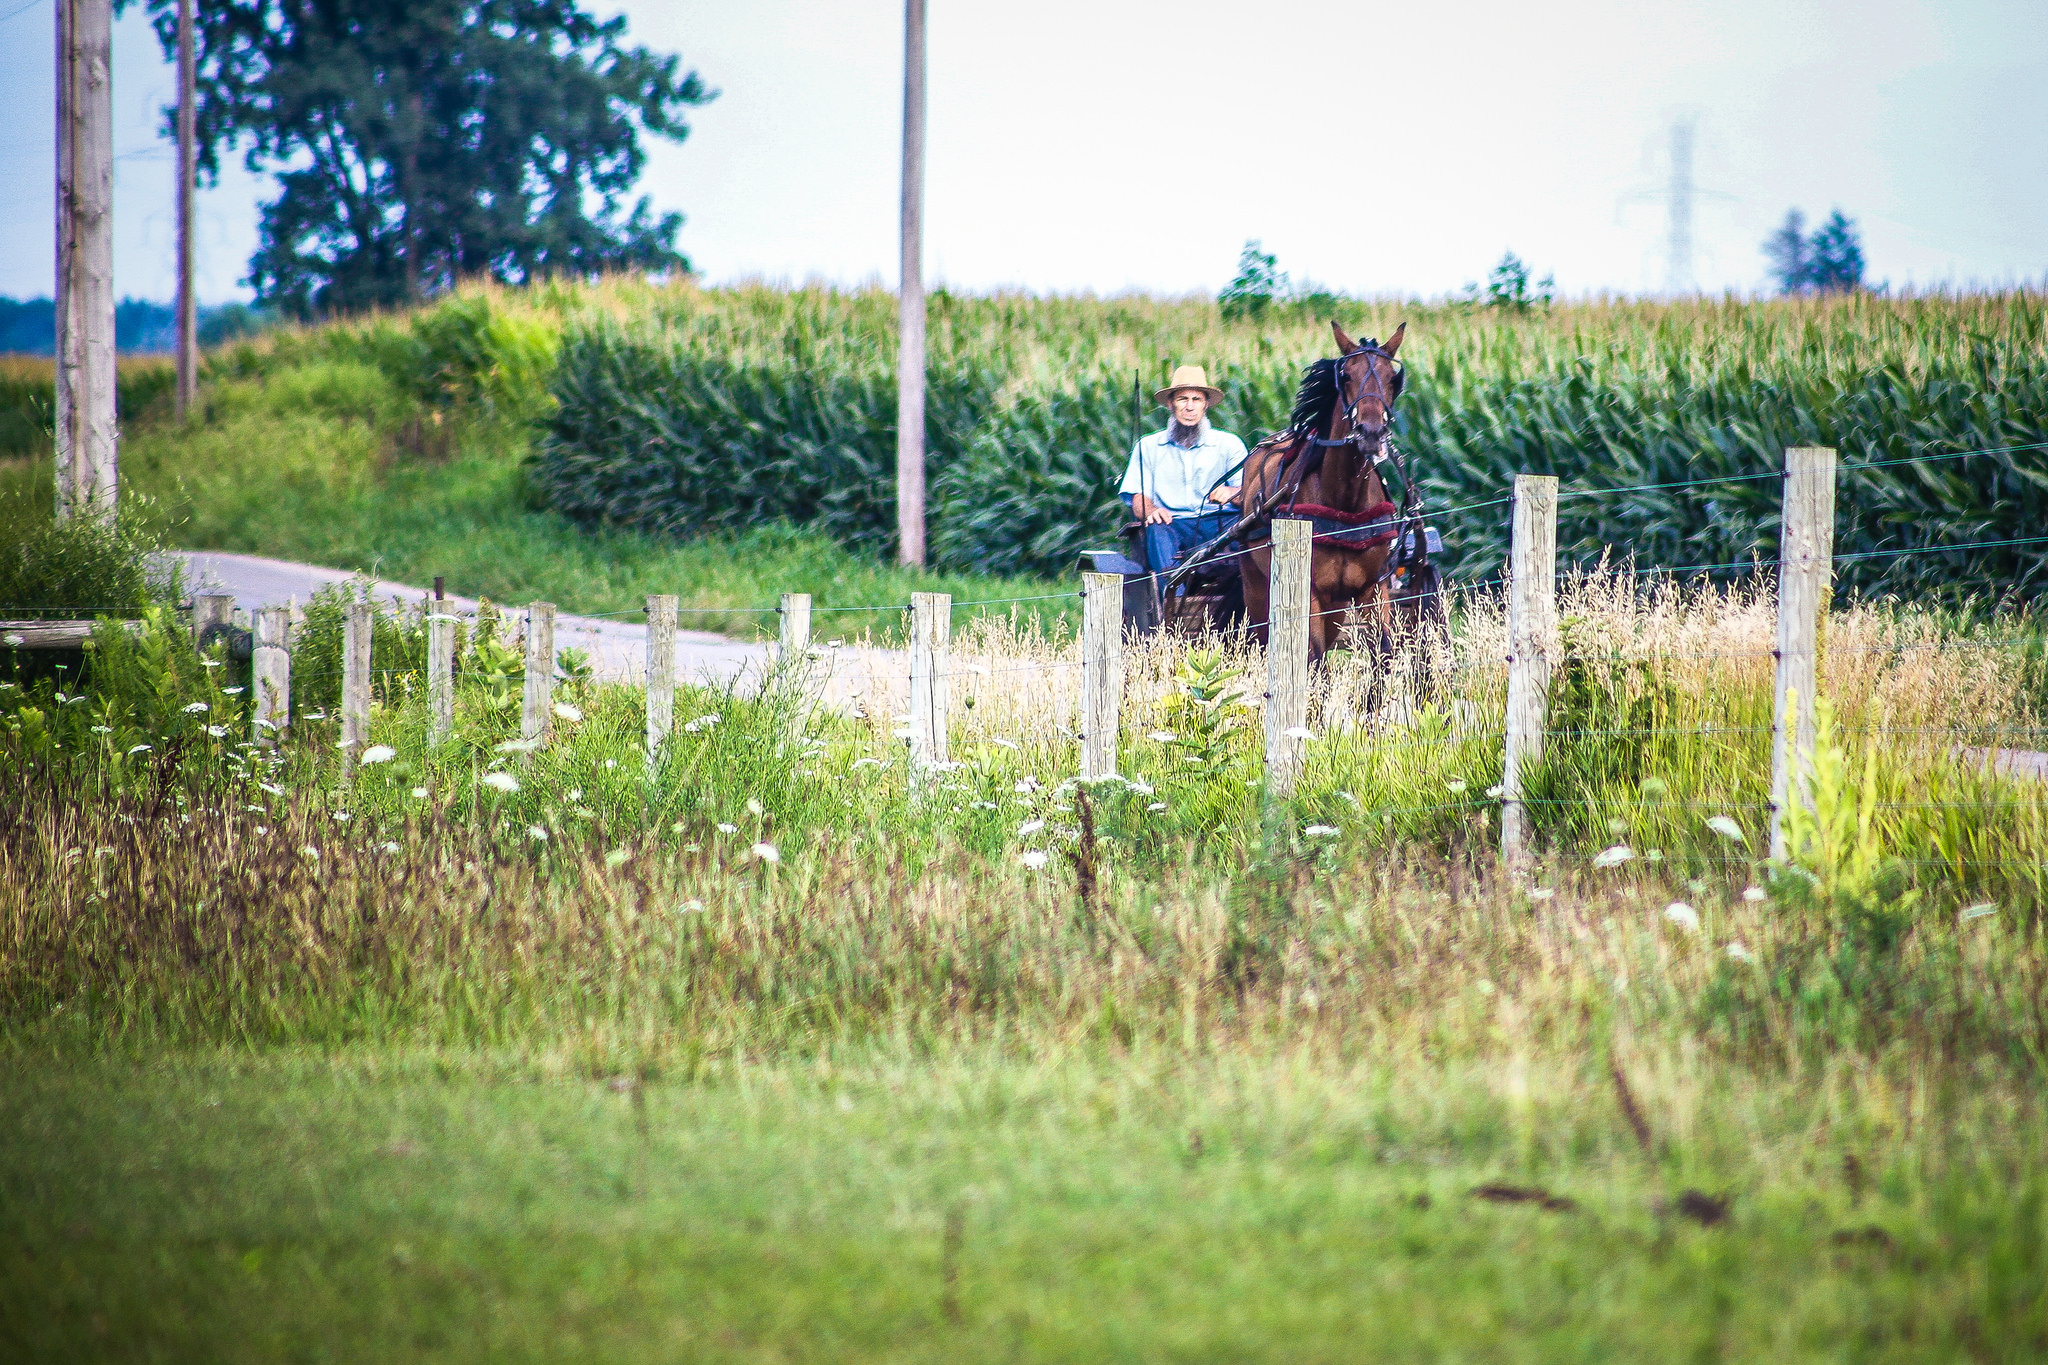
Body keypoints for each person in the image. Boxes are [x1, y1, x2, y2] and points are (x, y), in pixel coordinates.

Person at [1119, 364, 1247, 575]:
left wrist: (1233, 492)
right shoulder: (1148, 446)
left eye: (1196, 400)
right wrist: (1152, 511)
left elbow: (1247, 492)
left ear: (1206, 404)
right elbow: (1139, 499)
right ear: (1171, 404)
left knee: (1254, 524)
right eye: (1182, 399)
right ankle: (1171, 599)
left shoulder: (1229, 444)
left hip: (1219, 522)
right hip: (1173, 524)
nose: (1189, 407)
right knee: (1155, 528)